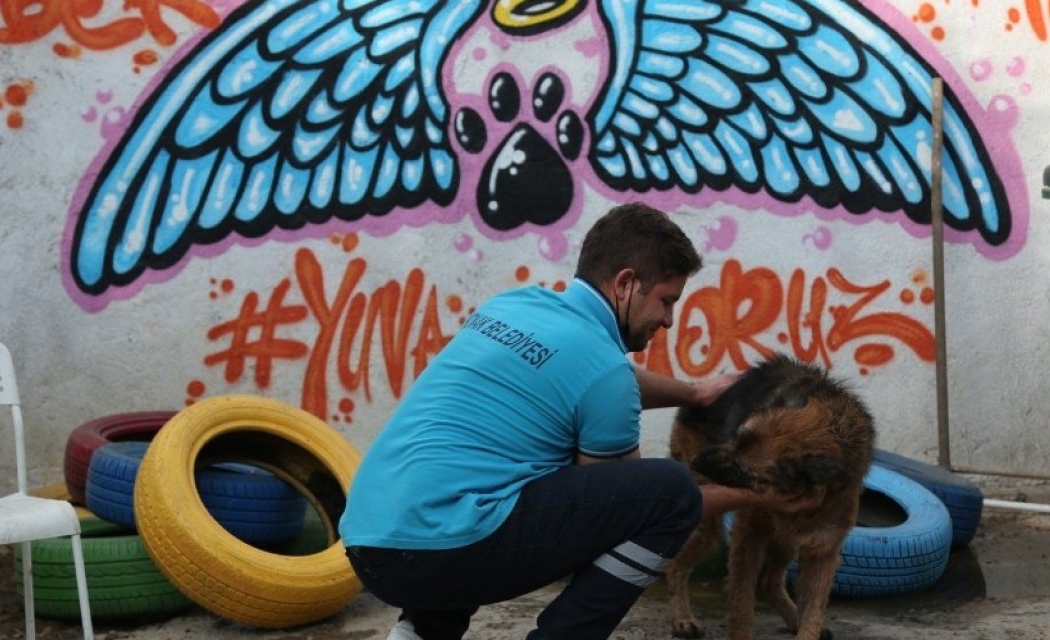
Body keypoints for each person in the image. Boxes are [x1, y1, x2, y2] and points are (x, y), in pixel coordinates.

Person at [338, 202, 821, 640]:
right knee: (667, 493)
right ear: (626, 283)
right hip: (431, 555)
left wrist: (693, 391)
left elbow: (597, 375)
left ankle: (420, 633)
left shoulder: (516, 306)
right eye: (667, 301)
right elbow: (627, 503)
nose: (669, 320)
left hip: (368, 538)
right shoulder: (603, 371)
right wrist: (758, 494)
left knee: (489, 483)